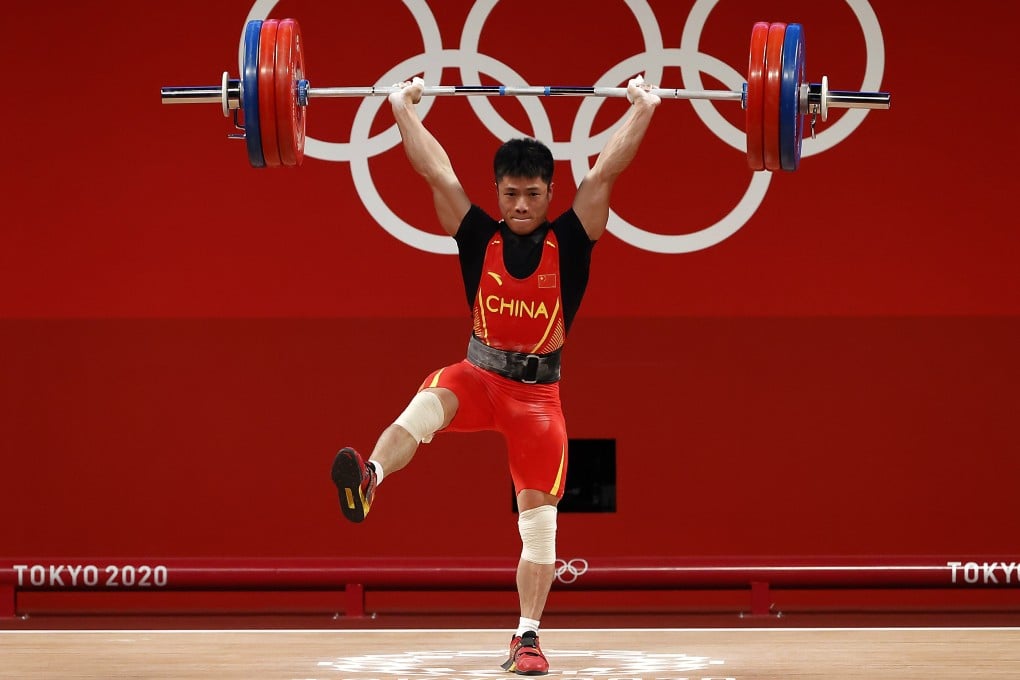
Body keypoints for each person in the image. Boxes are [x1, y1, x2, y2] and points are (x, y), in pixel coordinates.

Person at [332, 74, 660, 676]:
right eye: (510, 194)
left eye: (532, 194)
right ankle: (371, 476)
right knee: (424, 407)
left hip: (538, 400)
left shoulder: (573, 238)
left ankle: (527, 638)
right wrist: (400, 109)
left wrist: (643, 107)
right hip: (477, 380)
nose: (520, 206)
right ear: (499, 190)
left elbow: (607, 172)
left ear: (548, 191)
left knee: (539, 526)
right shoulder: (478, 235)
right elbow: (436, 172)